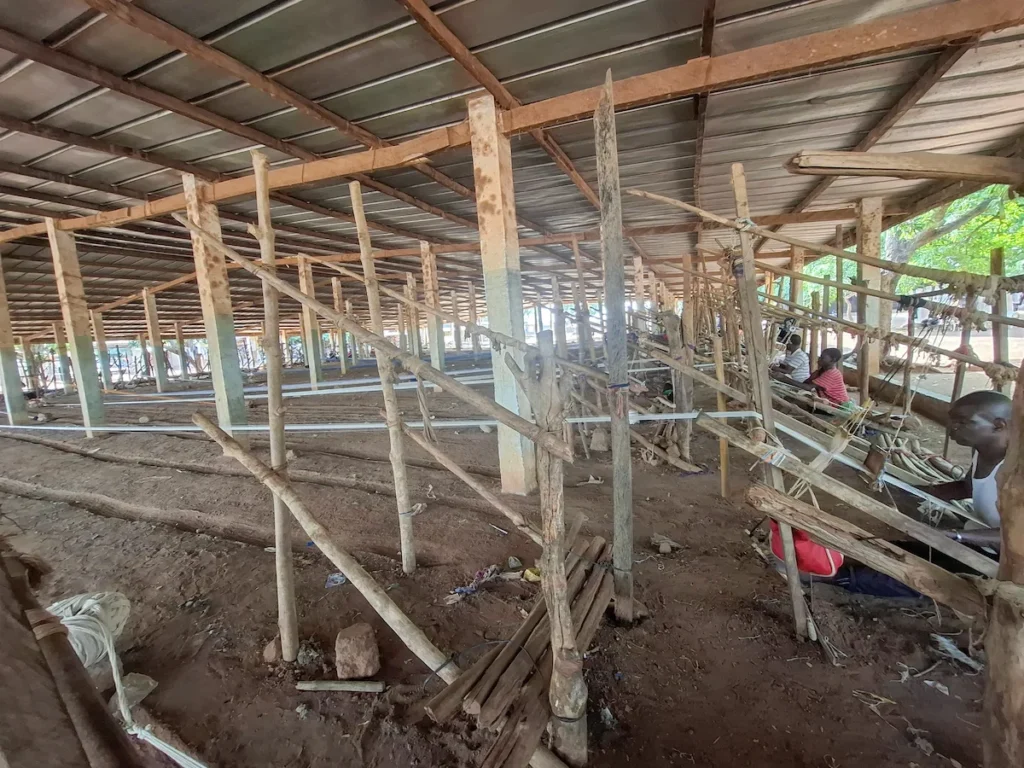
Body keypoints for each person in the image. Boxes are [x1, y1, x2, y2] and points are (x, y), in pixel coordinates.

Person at [769, 389, 1009, 597]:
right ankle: (841, 561)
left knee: (923, 579)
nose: (951, 428)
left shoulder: (1015, 471)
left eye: (963, 422)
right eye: (952, 420)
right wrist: (917, 492)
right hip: (979, 545)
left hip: (1008, 564)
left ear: (999, 425)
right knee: (902, 550)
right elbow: (968, 487)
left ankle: (831, 577)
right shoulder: (981, 452)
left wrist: (956, 536)